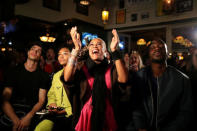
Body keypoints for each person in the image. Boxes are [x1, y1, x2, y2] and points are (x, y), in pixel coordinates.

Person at [63, 26, 128, 131]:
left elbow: (124, 79)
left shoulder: (111, 68)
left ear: (105, 51)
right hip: (85, 117)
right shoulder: (81, 67)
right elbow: (67, 78)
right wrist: (76, 49)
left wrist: (114, 50)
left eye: (99, 44)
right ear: (89, 50)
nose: (95, 46)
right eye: (92, 44)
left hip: (109, 117)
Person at [131, 39, 193, 131]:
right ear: (148, 53)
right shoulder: (139, 76)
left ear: (167, 53)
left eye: (161, 47)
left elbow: (186, 112)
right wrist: (140, 126)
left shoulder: (182, 79)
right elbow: (135, 104)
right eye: (153, 47)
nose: (157, 49)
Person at [1, 42, 50, 131]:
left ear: (40, 57)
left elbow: (41, 101)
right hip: (13, 110)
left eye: (38, 51)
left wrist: (28, 117)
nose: (34, 51)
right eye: (32, 49)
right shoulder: (13, 72)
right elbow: (5, 100)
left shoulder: (44, 76)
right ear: (28, 52)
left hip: (32, 111)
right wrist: (15, 120)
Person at [35, 46, 80, 131]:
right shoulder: (56, 75)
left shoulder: (77, 74)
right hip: (56, 114)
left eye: (65, 54)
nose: (61, 56)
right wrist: (52, 104)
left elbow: (79, 99)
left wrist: (65, 111)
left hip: (72, 115)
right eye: (59, 54)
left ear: (72, 56)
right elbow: (51, 94)